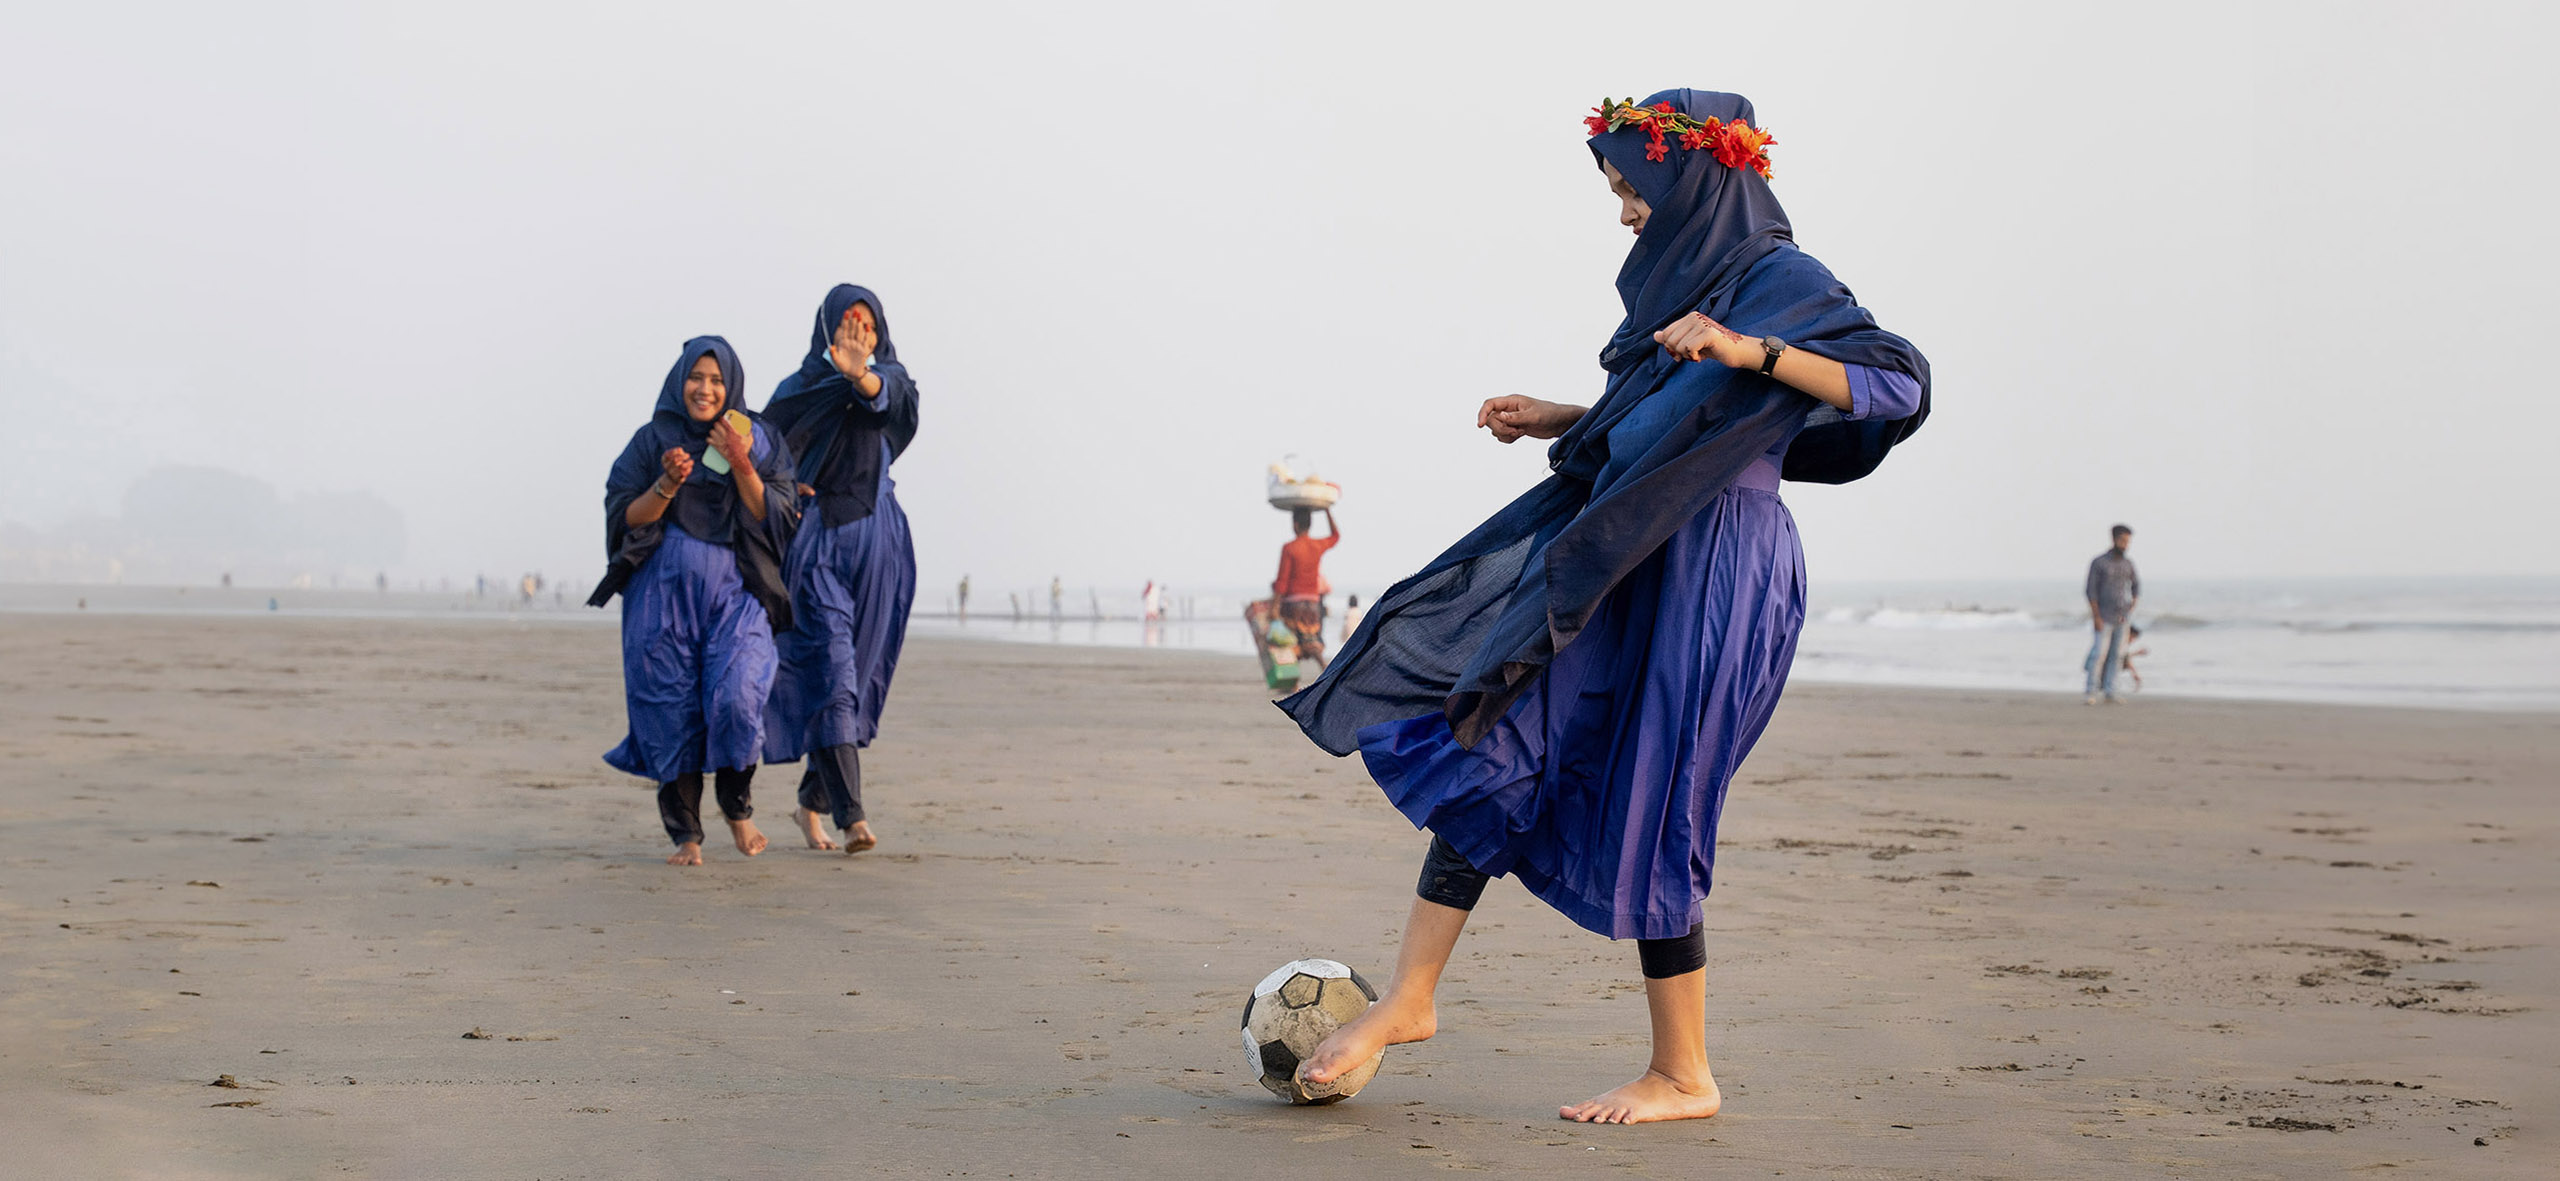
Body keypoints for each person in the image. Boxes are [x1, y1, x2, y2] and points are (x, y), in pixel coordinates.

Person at [1278, 90, 1929, 1124]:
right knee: (1494, 736)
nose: (1626, 213)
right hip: (1626, 551)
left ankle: (1683, 1072)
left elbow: (1897, 386)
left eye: (1633, 189)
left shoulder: (1778, 280)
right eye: (1619, 192)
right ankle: (1409, 998)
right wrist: (1565, 416)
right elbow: (1668, 416)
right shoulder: (1689, 283)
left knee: (1659, 792)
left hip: (1716, 572)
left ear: (1694, 184)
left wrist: (1748, 347)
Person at [588, 336, 800, 866]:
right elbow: (623, 515)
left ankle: (736, 802)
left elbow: (776, 516)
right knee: (669, 706)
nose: (705, 389)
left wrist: (741, 461)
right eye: (695, 378)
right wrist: (665, 483)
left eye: (716, 380)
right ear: (678, 381)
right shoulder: (651, 439)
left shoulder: (760, 438)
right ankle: (686, 834)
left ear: (732, 386)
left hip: (739, 589)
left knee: (739, 692)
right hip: (663, 593)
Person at [761, 285, 919, 856]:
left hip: (879, 542)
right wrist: (782, 484)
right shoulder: (798, 389)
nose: (859, 334)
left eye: (867, 325)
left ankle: (811, 802)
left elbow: (890, 399)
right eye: (847, 323)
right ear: (827, 329)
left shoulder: (892, 380)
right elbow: (762, 447)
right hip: (817, 543)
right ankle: (854, 816)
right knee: (833, 671)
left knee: (860, 674)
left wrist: (863, 376)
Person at [1272, 507, 1340, 664]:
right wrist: (1327, 510)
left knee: (1290, 641)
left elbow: (1282, 581)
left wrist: (1274, 606)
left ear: (1295, 525)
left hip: (1292, 603)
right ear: (1310, 524)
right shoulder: (1317, 546)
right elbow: (1335, 536)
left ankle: (1294, 682)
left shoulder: (1289, 548)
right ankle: (1323, 666)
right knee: (1311, 639)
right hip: (1312, 603)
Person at [2084, 524, 2139, 705]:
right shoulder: (2099, 563)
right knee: (2099, 654)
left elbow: (2136, 586)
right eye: (2122, 540)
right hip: (2104, 616)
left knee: (2117, 655)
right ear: (2114, 539)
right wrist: (2096, 616)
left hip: (2122, 617)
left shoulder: (2128, 564)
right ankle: (2091, 691)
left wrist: (2132, 605)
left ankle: (2111, 690)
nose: (2125, 545)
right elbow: (2091, 591)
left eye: (2127, 541)